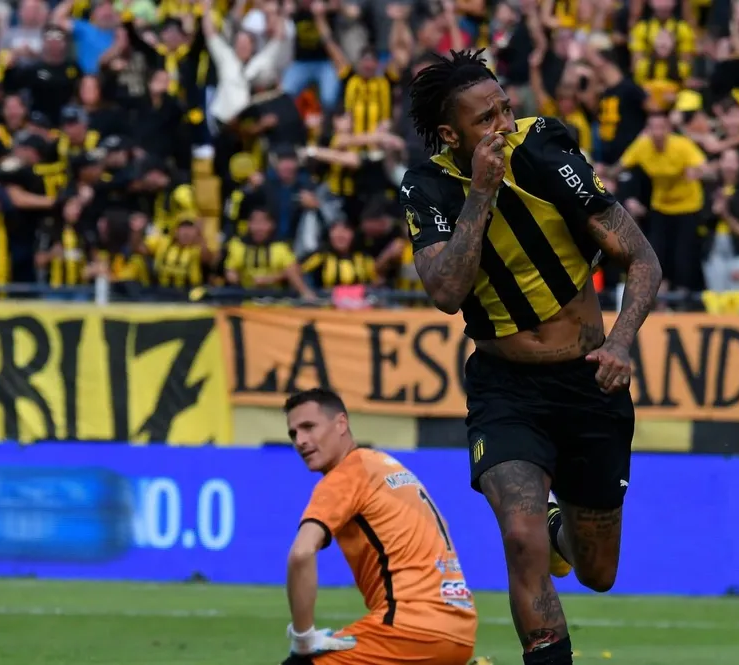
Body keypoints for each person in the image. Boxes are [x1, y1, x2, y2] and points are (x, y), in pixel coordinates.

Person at [398, 49, 662, 665]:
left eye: (505, 109)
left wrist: (621, 341)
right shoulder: (427, 187)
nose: (503, 125)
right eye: (486, 118)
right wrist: (480, 194)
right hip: (506, 389)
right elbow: (445, 292)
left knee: (597, 571)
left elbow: (641, 257)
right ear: (449, 134)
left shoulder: (544, 150)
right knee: (519, 534)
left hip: (589, 381)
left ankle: (557, 528)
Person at [281, 388, 477, 665]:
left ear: (341, 424)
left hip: (412, 628)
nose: (301, 441)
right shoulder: (385, 466)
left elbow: (301, 553)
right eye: (293, 434)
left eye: (309, 427)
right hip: (459, 626)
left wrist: (303, 639)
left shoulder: (346, 474)